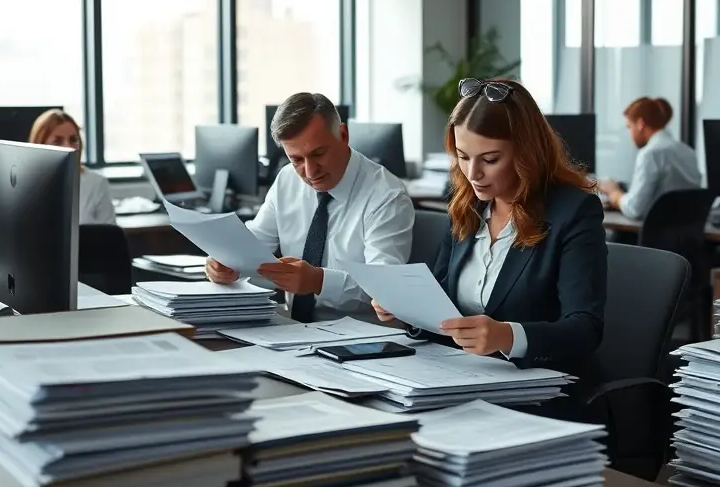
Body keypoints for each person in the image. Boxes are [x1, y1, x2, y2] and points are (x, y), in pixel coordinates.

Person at [373, 78, 607, 420]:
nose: (473, 174)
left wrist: (508, 336)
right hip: (457, 381)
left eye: (490, 159)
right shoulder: (468, 206)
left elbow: (585, 329)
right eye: (463, 157)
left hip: (536, 395)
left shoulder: (573, 211)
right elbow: (441, 307)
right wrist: (406, 312)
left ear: (526, 153)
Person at [206, 93, 414, 323]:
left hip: (363, 339)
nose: (310, 171)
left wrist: (318, 281)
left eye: (318, 154)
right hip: (293, 329)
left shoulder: (386, 195)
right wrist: (225, 261)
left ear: (343, 135)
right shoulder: (287, 179)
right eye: (296, 160)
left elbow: (384, 287)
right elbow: (253, 245)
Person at [599, 97, 700, 221]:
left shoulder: (650, 154)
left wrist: (615, 193)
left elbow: (634, 209)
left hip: (655, 236)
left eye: (629, 126)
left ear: (640, 124)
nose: (630, 134)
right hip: (684, 233)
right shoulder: (688, 151)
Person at [29, 109, 116, 226]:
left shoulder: (96, 184)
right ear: (39, 145)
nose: (68, 147)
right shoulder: (26, 185)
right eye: (57, 141)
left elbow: (109, 239)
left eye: (73, 140)